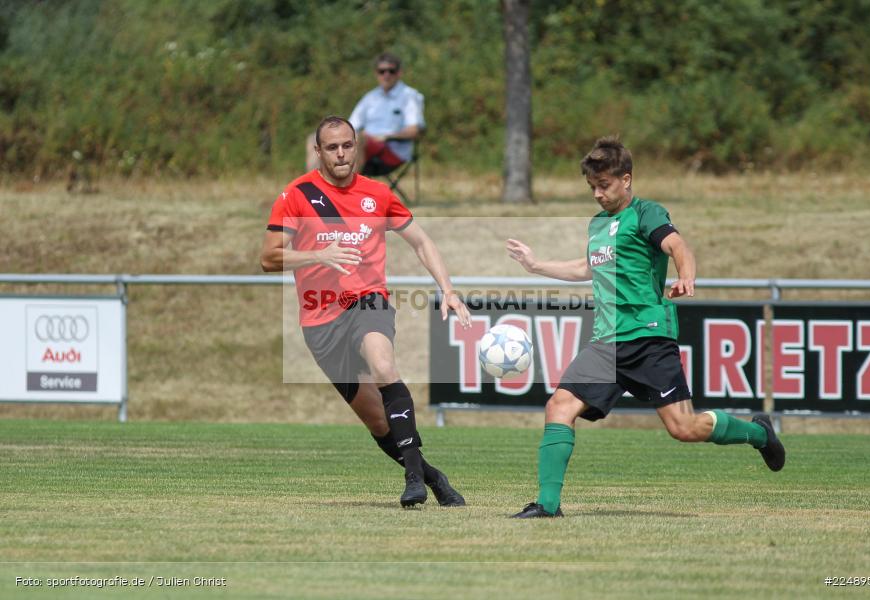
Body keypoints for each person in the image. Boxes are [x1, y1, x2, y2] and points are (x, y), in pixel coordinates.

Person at [505, 136, 786, 519]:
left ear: (626, 179)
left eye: (603, 186)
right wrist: (536, 266)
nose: (597, 195)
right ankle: (547, 505)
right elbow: (588, 268)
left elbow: (678, 247)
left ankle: (758, 433)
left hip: (649, 336)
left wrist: (687, 276)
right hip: (606, 342)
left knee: (684, 428)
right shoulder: (598, 225)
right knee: (559, 405)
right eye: (592, 188)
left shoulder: (646, 213)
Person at [262, 115, 468, 508]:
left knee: (384, 367)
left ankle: (414, 482)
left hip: (367, 301)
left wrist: (448, 289)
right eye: (332, 147)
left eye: (347, 145)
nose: (341, 154)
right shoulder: (296, 195)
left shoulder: (377, 194)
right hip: (320, 321)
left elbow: (422, 242)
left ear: (356, 147)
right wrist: (318, 254)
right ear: (318, 152)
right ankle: (432, 475)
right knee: (377, 422)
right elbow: (268, 258)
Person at [305, 53, 424, 176]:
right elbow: (351, 125)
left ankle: (346, 190)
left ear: (399, 73)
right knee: (315, 138)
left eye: (391, 71)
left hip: (392, 152)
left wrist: (387, 136)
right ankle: (314, 186)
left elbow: (414, 131)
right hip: (365, 148)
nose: (386, 75)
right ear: (376, 74)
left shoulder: (409, 96)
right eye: (382, 71)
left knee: (358, 138)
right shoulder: (370, 97)